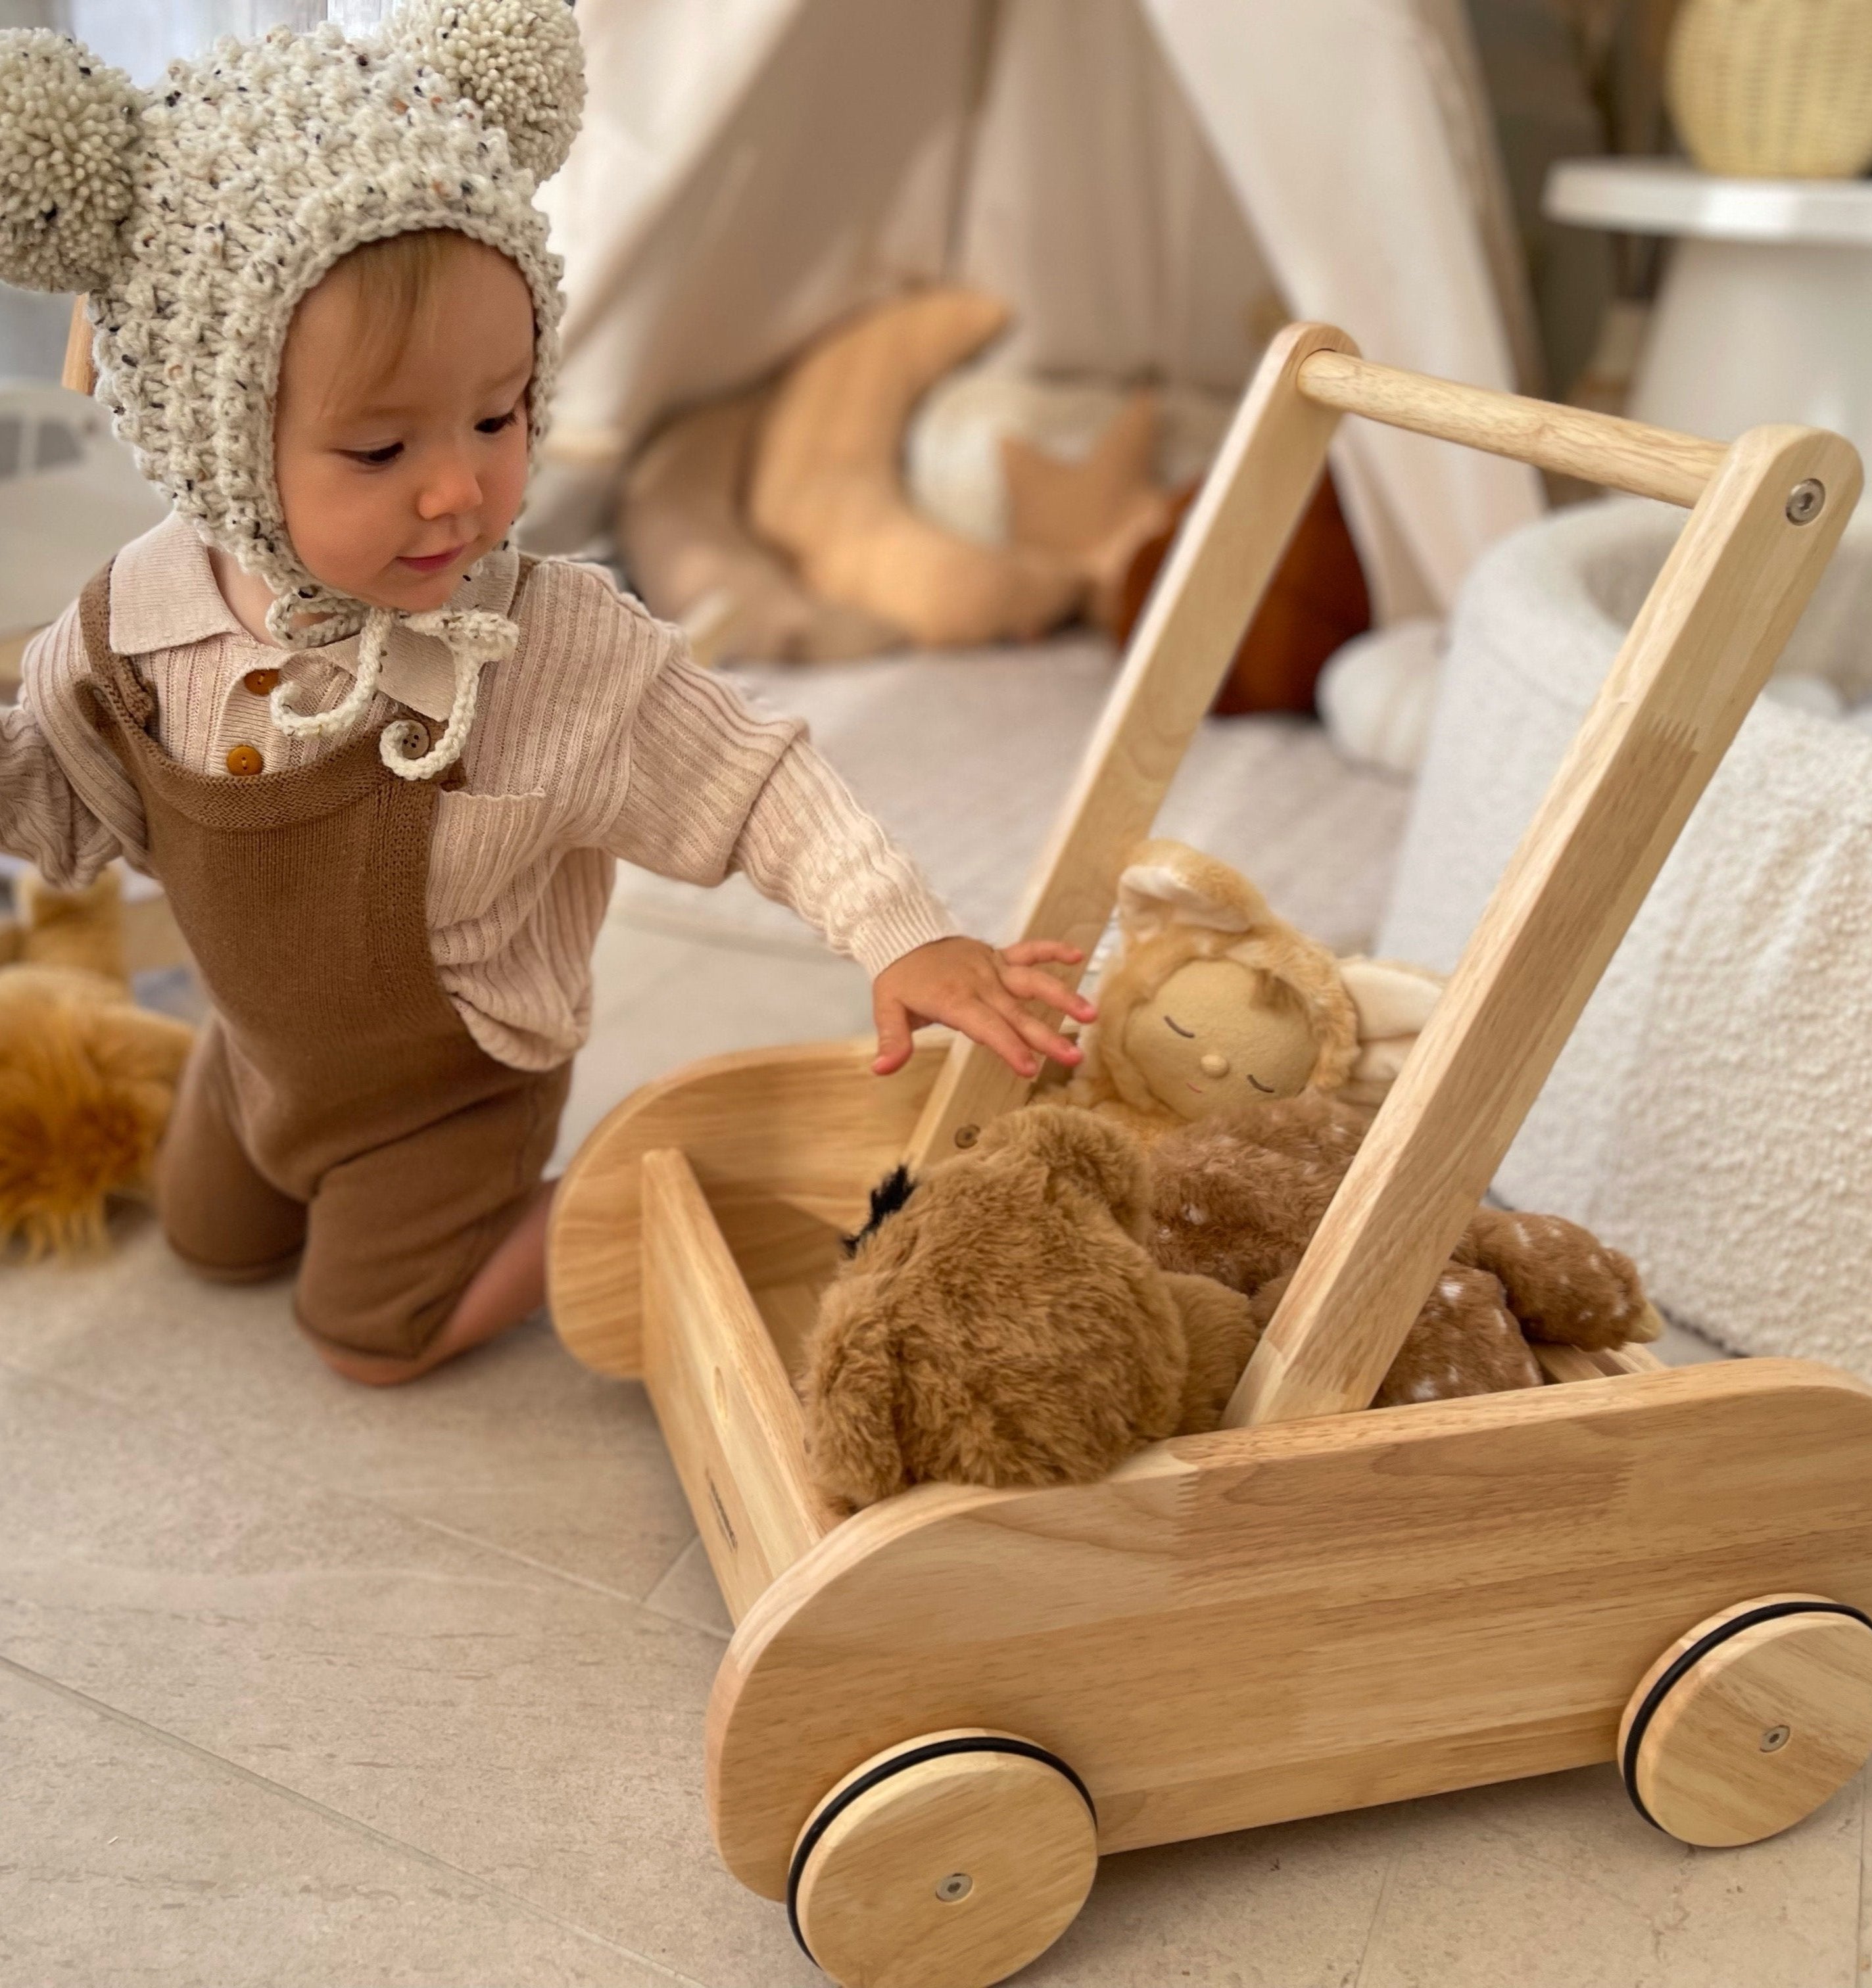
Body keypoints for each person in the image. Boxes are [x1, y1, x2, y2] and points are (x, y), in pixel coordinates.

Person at [0, 1, 1092, 1384]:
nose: (458, 487)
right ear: (216, 445)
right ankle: (282, 1153)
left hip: (449, 1087)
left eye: (498, 417)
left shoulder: (538, 646)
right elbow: (51, 783)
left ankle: (610, 1206)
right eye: (382, 444)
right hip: (260, 1054)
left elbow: (751, 776)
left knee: (370, 1341)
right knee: (210, 1241)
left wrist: (897, 932)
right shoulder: (133, 628)